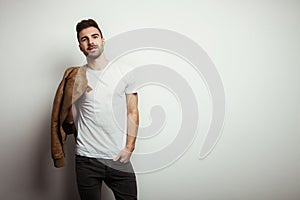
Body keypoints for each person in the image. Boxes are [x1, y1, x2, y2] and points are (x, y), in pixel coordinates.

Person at [52, 18, 139, 200]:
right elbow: (70, 119)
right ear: (80, 47)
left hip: (118, 157)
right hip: (87, 158)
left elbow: (132, 111)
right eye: (84, 39)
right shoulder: (77, 77)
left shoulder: (125, 71)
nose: (90, 42)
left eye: (94, 36)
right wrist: (68, 99)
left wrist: (129, 147)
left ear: (102, 40)